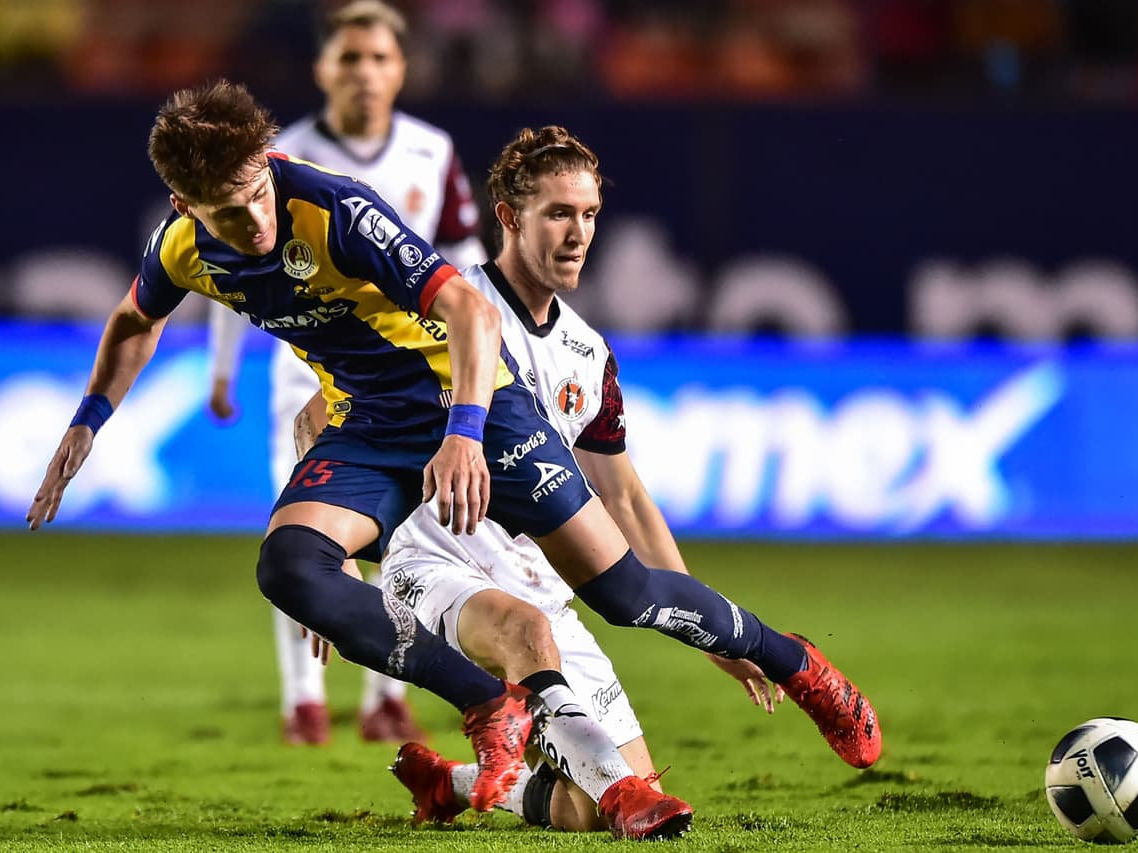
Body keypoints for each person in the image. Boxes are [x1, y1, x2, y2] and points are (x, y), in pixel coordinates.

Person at [28, 77, 879, 814]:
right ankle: (487, 707)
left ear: (268, 163)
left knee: (622, 592)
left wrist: (466, 434)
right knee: (289, 567)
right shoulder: (182, 249)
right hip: (372, 422)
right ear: (184, 206)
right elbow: (135, 319)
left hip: (479, 400)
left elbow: (469, 312)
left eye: (257, 192)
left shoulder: (334, 209)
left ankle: (798, 662)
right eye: (227, 209)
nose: (253, 219)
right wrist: (87, 421)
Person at [293, 126, 794, 840]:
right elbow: (317, 418)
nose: (578, 233)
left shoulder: (589, 354)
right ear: (508, 216)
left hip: (540, 576)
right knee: (526, 637)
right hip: (431, 559)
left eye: (589, 214)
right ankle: (595, 781)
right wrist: (332, 559)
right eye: (559, 213)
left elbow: (622, 498)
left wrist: (703, 626)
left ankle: (451, 782)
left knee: (583, 806)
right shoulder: (439, 303)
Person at [207, 0, 488, 747]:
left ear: (401, 69)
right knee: (298, 533)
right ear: (322, 68)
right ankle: (304, 696)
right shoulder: (279, 154)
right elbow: (229, 265)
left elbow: (466, 266)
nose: (365, 73)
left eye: (379, 58)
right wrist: (223, 368)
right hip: (306, 374)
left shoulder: (432, 149)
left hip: (403, 376)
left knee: (399, 537)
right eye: (350, 58)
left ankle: (386, 694)